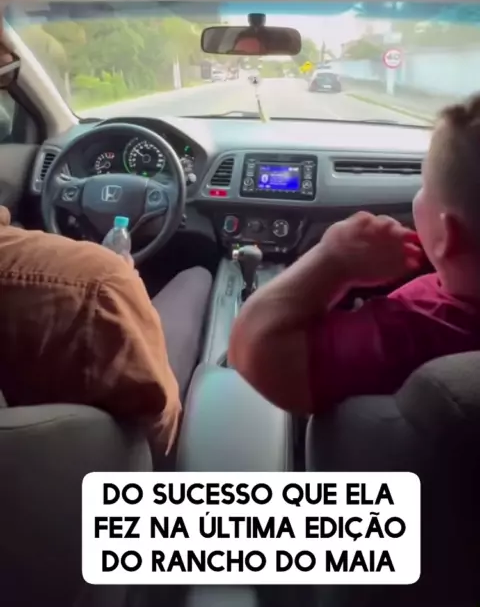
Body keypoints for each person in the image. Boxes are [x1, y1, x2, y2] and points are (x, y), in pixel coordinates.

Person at [229, 93, 480, 414]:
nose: (420, 192)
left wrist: (335, 260)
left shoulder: (412, 334)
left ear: (446, 235)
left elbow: (252, 349)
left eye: (424, 185)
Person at [0, 205, 212, 454]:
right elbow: (159, 430)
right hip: (107, 460)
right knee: (198, 277)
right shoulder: (99, 283)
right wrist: (131, 291)